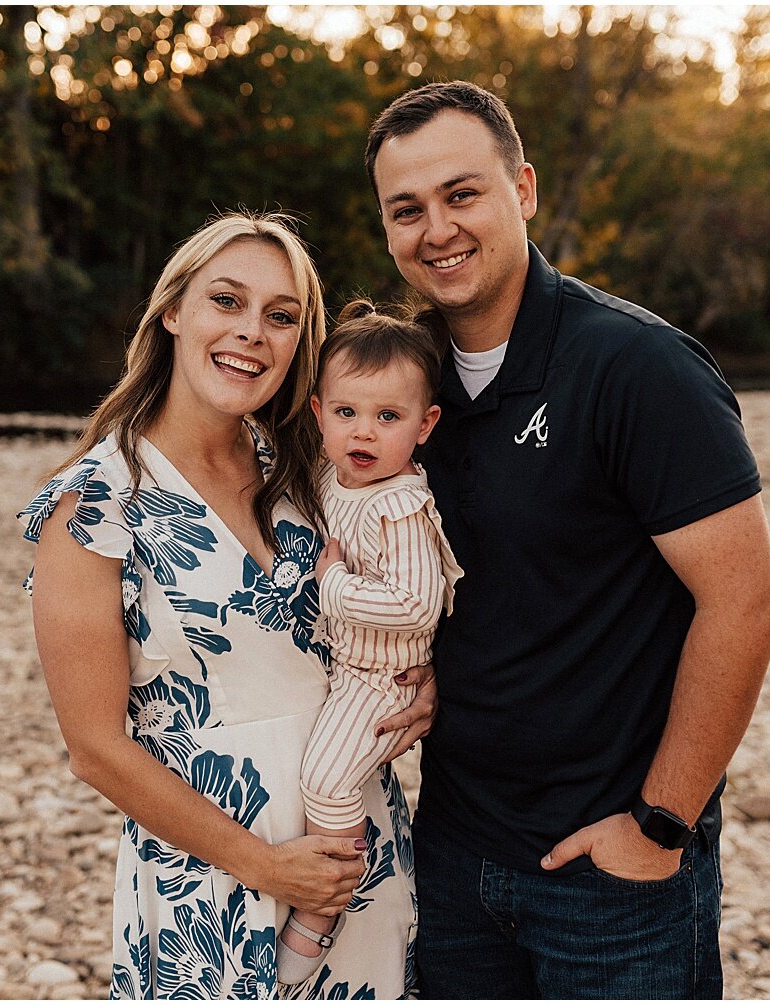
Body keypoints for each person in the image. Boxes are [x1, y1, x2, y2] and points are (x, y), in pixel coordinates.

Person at [364, 81, 770, 998]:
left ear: (522, 188)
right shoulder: (406, 383)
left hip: (610, 875)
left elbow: (748, 598)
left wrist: (662, 825)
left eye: (461, 194)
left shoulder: (638, 366)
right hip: (453, 857)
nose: (436, 229)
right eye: (407, 210)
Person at [18, 212, 430, 1000]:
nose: (252, 333)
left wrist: (424, 682)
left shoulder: (313, 470)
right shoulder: (94, 507)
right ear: (173, 311)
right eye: (226, 301)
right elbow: (96, 747)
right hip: (213, 888)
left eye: (281, 317)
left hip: (357, 854)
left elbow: (399, 596)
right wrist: (266, 865)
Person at [278, 300, 463, 984]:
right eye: (349, 412)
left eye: (388, 417)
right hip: (345, 665)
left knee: (326, 778)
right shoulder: (336, 478)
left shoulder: (400, 506)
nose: (365, 431)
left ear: (425, 425)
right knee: (310, 774)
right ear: (320, 411)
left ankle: (329, 898)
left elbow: (415, 606)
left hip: (383, 680)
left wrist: (332, 586)